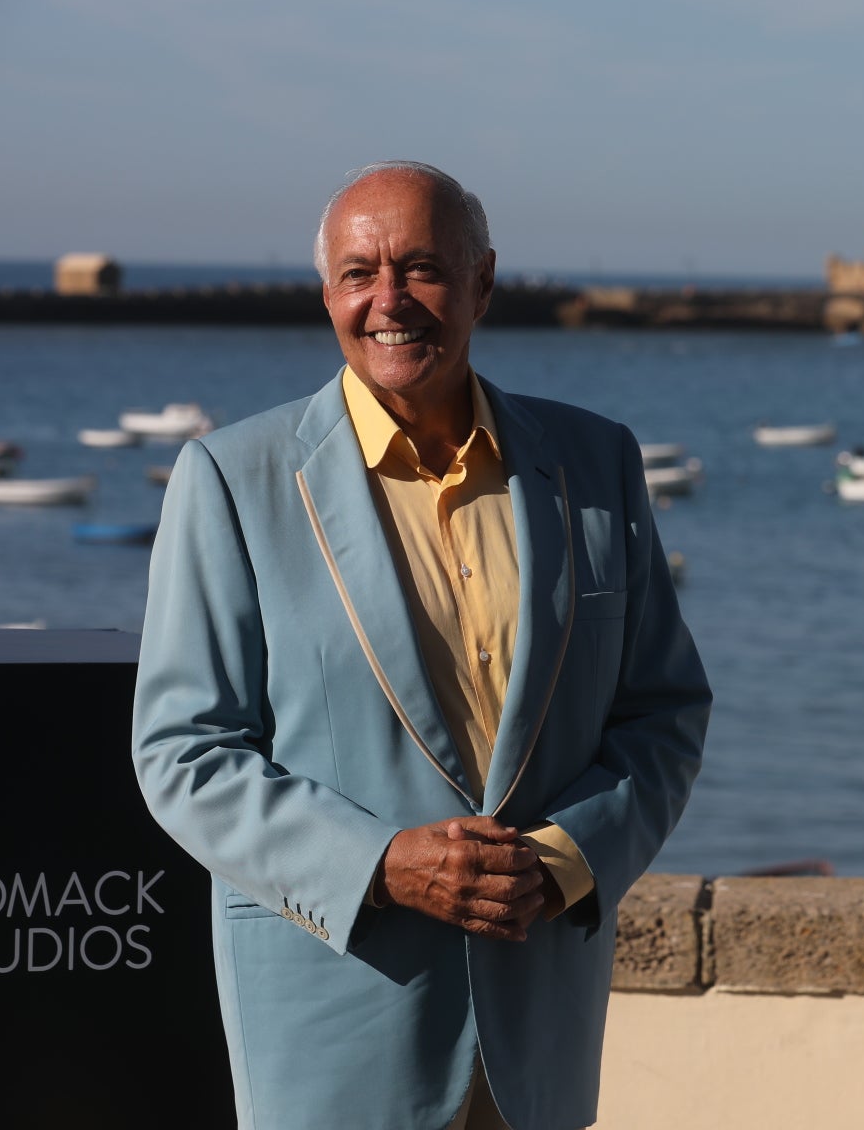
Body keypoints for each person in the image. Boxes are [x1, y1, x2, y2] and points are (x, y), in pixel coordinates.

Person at [132, 161, 711, 1130]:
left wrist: (567, 857)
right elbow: (183, 753)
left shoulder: (595, 461)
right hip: (335, 1030)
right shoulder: (232, 479)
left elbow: (664, 711)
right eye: (359, 273)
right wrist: (382, 863)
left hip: (537, 1040)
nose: (388, 300)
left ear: (483, 282)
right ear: (328, 295)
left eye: (421, 268)